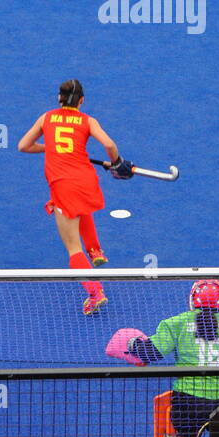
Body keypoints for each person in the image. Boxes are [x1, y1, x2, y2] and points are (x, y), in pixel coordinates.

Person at [18, 79, 132, 315]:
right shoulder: (88, 121)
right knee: (81, 207)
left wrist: (48, 146)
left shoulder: (46, 118)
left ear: (59, 98)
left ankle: (95, 292)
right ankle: (96, 251)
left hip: (62, 185)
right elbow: (109, 145)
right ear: (81, 101)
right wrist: (118, 161)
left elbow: (24, 146)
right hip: (86, 180)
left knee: (72, 247)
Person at [107, 279, 219, 437]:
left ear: (192, 300)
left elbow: (150, 354)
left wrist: (132, 343)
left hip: (188, 404)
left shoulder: (175, 324)